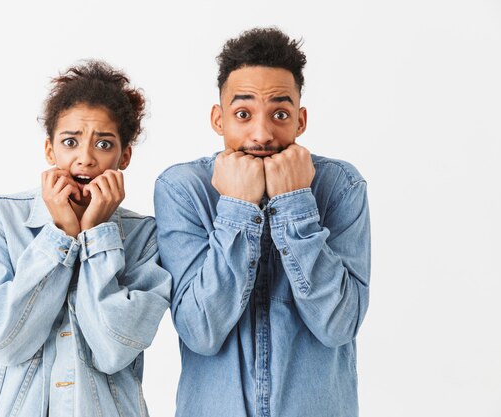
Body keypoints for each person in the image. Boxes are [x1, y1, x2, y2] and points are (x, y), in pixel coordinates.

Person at [154, 27, 371, 417]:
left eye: (280, 114)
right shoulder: (183, 188)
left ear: (300, 120)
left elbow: (339, 324)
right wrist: (237, 206)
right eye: (243, 114)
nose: (262, 133)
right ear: (218, 119)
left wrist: (295, 202)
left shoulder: (340, 185)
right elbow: (201, 331)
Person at [0, 61, 171, 417]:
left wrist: (96, 235)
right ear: (50, 150)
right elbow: (5, 341)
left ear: (125, 156)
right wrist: (60, 237)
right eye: (70, 142)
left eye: (104, 144)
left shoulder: (145, 238)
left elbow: (113, 350)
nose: (85, 159)